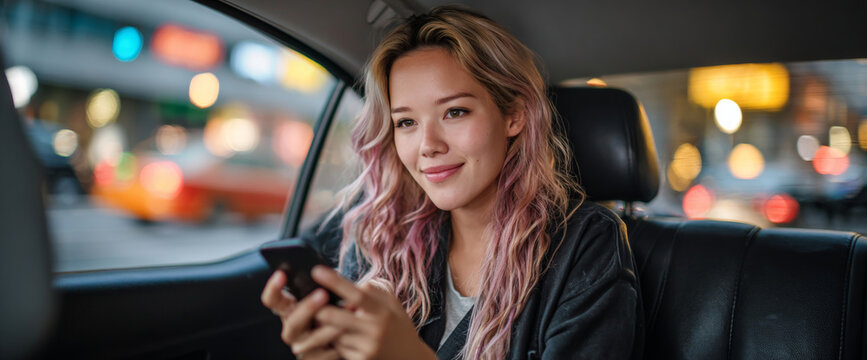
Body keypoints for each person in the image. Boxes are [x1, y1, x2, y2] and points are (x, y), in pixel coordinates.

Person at [261, 6, 642, 360]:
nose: (428, 146)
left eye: (454, 112)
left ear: (514, 116)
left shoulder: (586, 245)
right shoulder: (381, 240)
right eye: (406, 122)